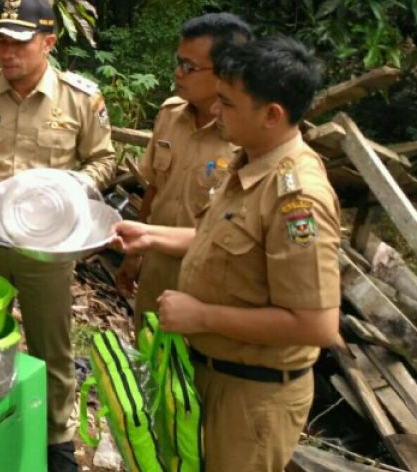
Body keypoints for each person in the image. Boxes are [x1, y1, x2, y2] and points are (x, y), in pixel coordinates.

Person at [111, 36, 341, 472]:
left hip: (249, 397)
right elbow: (215, 238)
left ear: (272, 114)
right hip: (204, 373)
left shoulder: (297, 199)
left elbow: (318, 325)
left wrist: (202, 317)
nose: (216, 111)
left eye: (228, 103)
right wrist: (151, 235)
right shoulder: (248, 163)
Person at [0, 0, 116, 472]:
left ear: (49, 42)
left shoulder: (79, 98)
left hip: (46, 247)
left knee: (50, 344)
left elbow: (104, 160)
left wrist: (74, 185)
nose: (7, 53)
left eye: (19, 42)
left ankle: (55, 441)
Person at [116, 13, 253, 328]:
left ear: (226, 72)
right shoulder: (170, 115)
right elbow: (154, 189)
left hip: (210, 285)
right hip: (156, 271)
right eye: (178, 62)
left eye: (190, 67)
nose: (178, 72)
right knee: (150, 356)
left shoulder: (248, 139)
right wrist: (134, 255)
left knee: (193, 371)